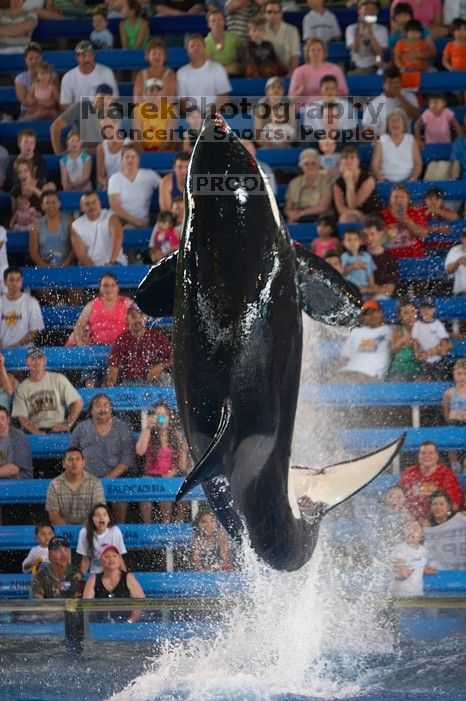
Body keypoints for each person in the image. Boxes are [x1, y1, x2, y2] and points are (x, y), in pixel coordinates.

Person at [69, 393, 136, 524]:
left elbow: (127, 460)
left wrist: (107, 479)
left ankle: (117, 531)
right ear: (91, 410)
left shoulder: (122, 428)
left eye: (106, 405)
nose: (102, 409)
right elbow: (72, 455)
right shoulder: (81, 428)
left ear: (111, 409)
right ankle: (88, 534)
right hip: (86, 479)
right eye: (98, 405)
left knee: (120, 492)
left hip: (115, 478)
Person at [136, 401, 188, 523]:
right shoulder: (148, 432)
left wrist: (172, 473)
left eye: (164, 415)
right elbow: (140, 451)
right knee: (146, 483)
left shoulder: (175, 435)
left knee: (174, 485)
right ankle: (147, 525)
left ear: (169, 417)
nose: (161, 418)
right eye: (158, 415)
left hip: (170, 474)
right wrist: (147, 428)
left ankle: (170, 523)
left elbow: (181, 464)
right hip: (151, 475)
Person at [12, 347, 83, 434]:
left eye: (40, 357)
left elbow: (78, 402)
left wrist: (67, 424)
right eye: (33, 358)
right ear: (27, 362)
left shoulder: (58, 379)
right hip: (33, 430)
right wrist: (36, 432)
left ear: (45, 360)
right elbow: (22, 418)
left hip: (58, 429)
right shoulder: (22, 388)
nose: (36, 361)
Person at [106, 303, 173, 386]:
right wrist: (111, 383)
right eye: (133, 316)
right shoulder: (122, 339)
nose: (138, 319)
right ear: (127, 319)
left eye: (141, 315)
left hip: (154, 380)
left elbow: (173, 359)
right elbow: (113, 366)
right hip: (130, 382)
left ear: (146, 318)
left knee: (167, 380)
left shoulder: (157, 336)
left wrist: (160, 366)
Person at [399, 441, 463, 519]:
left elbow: (454, 504)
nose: (427, 456)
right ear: (418, 456)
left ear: (437, 456)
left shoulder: (446, 474)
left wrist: (437, 521)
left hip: (438, 520)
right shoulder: (409, 473)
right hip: (411, 520)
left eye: (431, 453)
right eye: (423, 453)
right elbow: (400, 499)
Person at [82, 544, 144, 623]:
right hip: (99, 627)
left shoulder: (129, 578)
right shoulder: (93, 580)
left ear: (119, 559)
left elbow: (140, 604)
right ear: (100, 560)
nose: (111, 559)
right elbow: (86, 607)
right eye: (107, 556)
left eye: (115, 555)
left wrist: (129, 622)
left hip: (125, 627)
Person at [334, 299, 392, 382]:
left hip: (371, 376)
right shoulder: (356, 332)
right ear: (363, 318)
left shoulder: (390, 330)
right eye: (367, 314)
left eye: (373, 312)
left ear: (381, 313)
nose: (371, 316)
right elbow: (344, 358)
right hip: (348, 373)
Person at [67, 273, 132, 347]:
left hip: (121, 346)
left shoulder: (127, 303)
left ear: (117, 287)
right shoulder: (91, 305)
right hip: (95, 347)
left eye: (113, 285)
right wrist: (81, 345)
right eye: (105, 286)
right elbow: (79, 325)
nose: (109, 289)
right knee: (72, 338)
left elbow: (137, 322)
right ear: (100, 288)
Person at [45, 448, 106, 525]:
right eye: (70, 459)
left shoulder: (95, 483)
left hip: (89, 531)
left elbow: (98, 511)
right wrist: (69, 532)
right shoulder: (54, 484)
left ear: (83, 462)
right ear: (63, 463)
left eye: (78, 459)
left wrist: (83, 532)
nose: (74, 463)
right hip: (63, 533)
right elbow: (53, 515)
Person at [51, 84, 116, 155]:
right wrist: (58, 154)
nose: (104, 101)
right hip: (79, 155)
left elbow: (114, 143)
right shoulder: (80, 107)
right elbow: (55, 127)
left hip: (102, 155)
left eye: (108, 98)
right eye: (101, 97)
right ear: (95, 96)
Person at [108, 143, 161, 228]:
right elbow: (115, 206)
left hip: (143, 220)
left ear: (138, 159)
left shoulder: (150, 175)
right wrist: (135, 221)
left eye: (133, 156)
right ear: (122, 160)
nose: (130, 160)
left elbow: (165, 186)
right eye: (127, 157)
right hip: (120, 220)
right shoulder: (114, 179)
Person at [176, 34, 232, 114]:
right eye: (192, 46)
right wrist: (195, 114)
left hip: (216, 116)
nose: (196, 48)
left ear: (204, 49)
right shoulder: (181, 73)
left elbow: (224, 96)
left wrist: (209, 114)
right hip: (193, 118)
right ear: (187, 51)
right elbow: (182, 101)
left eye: (199, 45)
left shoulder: (217, 68)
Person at [71, 191, 127, 267]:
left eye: (94, 202)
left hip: (115, 262)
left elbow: (118, 237)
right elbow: (81, 254)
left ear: (99, 203)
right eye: (87, 204)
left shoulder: (110, 216)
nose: (92, 206)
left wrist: (111, 262)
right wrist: (95, 270)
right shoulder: (76, 225)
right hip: (90, 266)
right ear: (82, 207)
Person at [361, 65, 420, 137]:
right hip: (384, 142)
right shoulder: (374, 104)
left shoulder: (410, 96)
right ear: (383, 84)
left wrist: (400, 96)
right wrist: (380, 143)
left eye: (396, 82)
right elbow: (367, 130)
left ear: (400, 83)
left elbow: (415, 115)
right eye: (390, 82)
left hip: (406, 141)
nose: (393, 85)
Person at [59, 40, 118, 108]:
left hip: (102, 114)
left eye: (90, 55)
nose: (87, 59)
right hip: (78, 115)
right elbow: (65, 104)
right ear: (77, 57)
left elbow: (114, 99)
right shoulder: (68, 77)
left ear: (94, 56)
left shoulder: (107, 73)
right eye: (83, 56)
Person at [288, 37, 348, 102]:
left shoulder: (334, 69)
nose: (316, 53)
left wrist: (329, 91)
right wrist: (302, 89)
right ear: (307, 53)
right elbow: (291, 98)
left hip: (330, 105)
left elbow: (344, 93)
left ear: (324, 52)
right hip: (306, 107)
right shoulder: (299, 71)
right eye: (313, 50)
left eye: (319, 50)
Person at [371, 109, 423, 183]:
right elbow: (375, 164)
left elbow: (418, 163)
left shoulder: (411, 139)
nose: (395, 123)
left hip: (408, 181)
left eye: (398, 120)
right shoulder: (381, 140)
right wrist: (381, 180)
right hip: (386, 181)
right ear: (388, 125)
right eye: (392, 121)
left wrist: (412, 180)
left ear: (404, 125)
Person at [333, 145, 382, 223]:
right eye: (345, 158)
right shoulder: (338, 182)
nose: (348, 161)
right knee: (345, 218)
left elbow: (353, 205)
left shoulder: (369, 178)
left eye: (352, 157)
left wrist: (349, 183)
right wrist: (353, 213)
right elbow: (340, 208)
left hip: (370, 214)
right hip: (351, 214)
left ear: (358, 161)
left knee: (352, 219)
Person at [284, 148, 332, 224]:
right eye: (306, 163)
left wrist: (301, 213)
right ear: (301, 166)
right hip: (298, 215)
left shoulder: (326, 181)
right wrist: (290, 213)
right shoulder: (294, 183)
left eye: (313, 163)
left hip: (318, 215)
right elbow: (288, 208)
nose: (310, 166)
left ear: (319, 165)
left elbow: (323, 207)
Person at [0, 267, 44, 349]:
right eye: (12, 280)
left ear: (21, 281)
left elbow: (34, 331)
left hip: (25, 351)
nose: (15, 283)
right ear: (5, 282)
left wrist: (17, 346)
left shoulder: (31, 302)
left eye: (18, 280)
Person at [381, 184, 428, 259]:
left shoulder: (416, 213)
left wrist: (406, 220)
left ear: (408, 200)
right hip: (390, 260)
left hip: (415, 258)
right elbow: (379, 241)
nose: (399, 200)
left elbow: (423, 234)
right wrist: (390, 231)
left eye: (402, 197)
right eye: (395, 197)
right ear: (390, 200)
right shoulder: (382, 215)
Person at [77, 503, 127, 574]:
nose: (101, 517)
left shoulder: (115, 531)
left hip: (113, 571)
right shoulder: (84, 532)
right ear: (92, 519)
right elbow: (85, 560)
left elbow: (119, 558)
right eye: (97, 515)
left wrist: (125, 577)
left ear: (109, 519)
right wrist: (81, 575)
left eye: (105, 515)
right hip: (95, 573)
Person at [29, 189, 74, 268]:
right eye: (47, 203)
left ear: (59, 203)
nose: (51, 205)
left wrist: (65, 264)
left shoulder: (70, 221)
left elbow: (74, 247)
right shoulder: (35, 226)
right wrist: (45, 266)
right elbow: (33, 252)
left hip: (67, 267)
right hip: (43, 267)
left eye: (54, 202)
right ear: (42, 206)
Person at [392, 520, 435, 597]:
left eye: (415, 529)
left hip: (418, 593)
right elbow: (396, 568)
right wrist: (400, 573)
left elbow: (417, 565)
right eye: (408, 529)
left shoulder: (424, 550)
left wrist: (425, 570)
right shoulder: (399, 549)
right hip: (401, 596)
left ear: (421, 534)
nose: (411, 531)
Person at [411, 297, 452, 380]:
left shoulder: (438, 324)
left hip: (439, 362)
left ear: (434, 309)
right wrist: (421, 355)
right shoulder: (417, 325)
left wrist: (428, 353)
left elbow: (444, 350)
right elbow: (416, 349)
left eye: (429, 308)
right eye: (423, 308)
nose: (426, 310)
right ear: (420, 310)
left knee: (440, 381)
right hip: (424, 363)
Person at [132, 78, 176, 152]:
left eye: (158, 90)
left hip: (164, 150)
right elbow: (137, 137)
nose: (155, 94)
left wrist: (157, 155)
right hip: (143, 149)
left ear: (163, 93)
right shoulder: (137, 109)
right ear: (146, 93)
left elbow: (168, 138)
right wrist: (144, 155)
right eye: (151, 90)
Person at [345, 0, 388, 75]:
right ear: (359, 11)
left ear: (377, 12)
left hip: (375, 67)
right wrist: (360, 32)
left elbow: (379, 52)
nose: (369, 12)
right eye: (366, 8)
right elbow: (355, 49)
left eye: (373, 9)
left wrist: (370, 32)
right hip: (356, 67)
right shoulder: (351, 28)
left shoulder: (382, 29)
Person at [254, 76, 296, 148]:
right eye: (273, 87)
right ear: (267, 91)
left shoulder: (289, 105)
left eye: (279, 87)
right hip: (266, 144)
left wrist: (285, 143)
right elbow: (258, 133)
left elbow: (293, 128)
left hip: (285, 145)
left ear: (283, 91)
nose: (276, 89)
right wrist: (269, 145)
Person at [363, 216, 398, 299]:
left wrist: (370, 290)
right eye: (366, 235)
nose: (369, 238)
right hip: (361, 294)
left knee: (380, 298)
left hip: (378, 296)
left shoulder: (389, 257)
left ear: (380, 234)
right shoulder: (359, 251)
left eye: (372, 234)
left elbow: (389, 290)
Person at [388, 298, 422, 381]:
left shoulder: (422, 329)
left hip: (417, 372)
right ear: (400, 316)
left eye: (413, 311)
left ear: (417, 312)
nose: (410, 315)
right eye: (406, 313)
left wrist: (416, 345)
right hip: (399, 372)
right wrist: (403, 340)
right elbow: (393, 349)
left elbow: (423, 356)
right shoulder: (397, 330)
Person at [263, 0, 300, 74]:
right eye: (269, 12)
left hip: (286, 73)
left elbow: (295, 56)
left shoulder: (292, 31)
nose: (273, 15)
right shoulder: (260, 30)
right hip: (265, 74)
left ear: (281, 14)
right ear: (265, 14)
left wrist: (291, 76)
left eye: (276, 12)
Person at [4, 128, 47, 192]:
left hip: (35, 190)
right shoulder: (12, 162)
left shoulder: (40, 161)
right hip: (19, 191)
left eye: (32, 142)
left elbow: (41, 180)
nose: (29, 145)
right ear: (19, 144)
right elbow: (11, 181)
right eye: (26, 142)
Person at [393, 19, 431, 90]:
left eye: (417, 32)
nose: (414, 34)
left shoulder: (423, 44)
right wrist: (402, 67)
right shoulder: (400, 43)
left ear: (421, 33)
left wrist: (423, 67)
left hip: (420, 70)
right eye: (411, 31)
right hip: (404, 70)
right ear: (406, 32)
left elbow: (426, 58)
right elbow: (397, 58)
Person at [442, 358, 466, 472]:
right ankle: (454, 463)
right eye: (459, 373)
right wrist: (450, 420)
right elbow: (446, 410)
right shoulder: (449, 392)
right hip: (453, 422)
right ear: (454, 374)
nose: (461, 377)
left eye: (465, 374)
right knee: (452, 442)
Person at [204, 9, 242, 76]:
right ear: (208, 24)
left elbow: (240, 60)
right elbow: (209, 66)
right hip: (214, 76)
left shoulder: (234, 37)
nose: (217, 23)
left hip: (234, 75)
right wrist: (229, 68)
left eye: (220, 20)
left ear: (224, 22)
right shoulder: (205, 42)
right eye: (213, 20)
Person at [0, 406, 33, 478]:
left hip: (19, 482)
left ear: (8, 420)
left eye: (2, 418)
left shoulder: (18, 436)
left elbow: (14, 469)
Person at [341, 229, 376, 296]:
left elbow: (370, 275)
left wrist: (371, 288)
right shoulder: (343, 257)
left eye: (355, 239)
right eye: (349, 240)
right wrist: (353, 266)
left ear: (360, 241)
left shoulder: (366, 256)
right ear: (343, 243)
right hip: (350, 289)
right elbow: (342, 274)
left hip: (365, 289)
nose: (352, 243)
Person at [96, 117, 127, 190]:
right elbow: (100, 176)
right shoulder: (101, 148)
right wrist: (105, 182)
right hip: (111, 184)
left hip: (126, 182)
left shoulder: (128, 144)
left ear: (117, 125)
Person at [444, 227, 466, 296]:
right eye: (465, 237)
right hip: (461, 293)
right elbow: (448, 271)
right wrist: (457, 262)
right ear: (461, 239)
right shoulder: (455, 250)